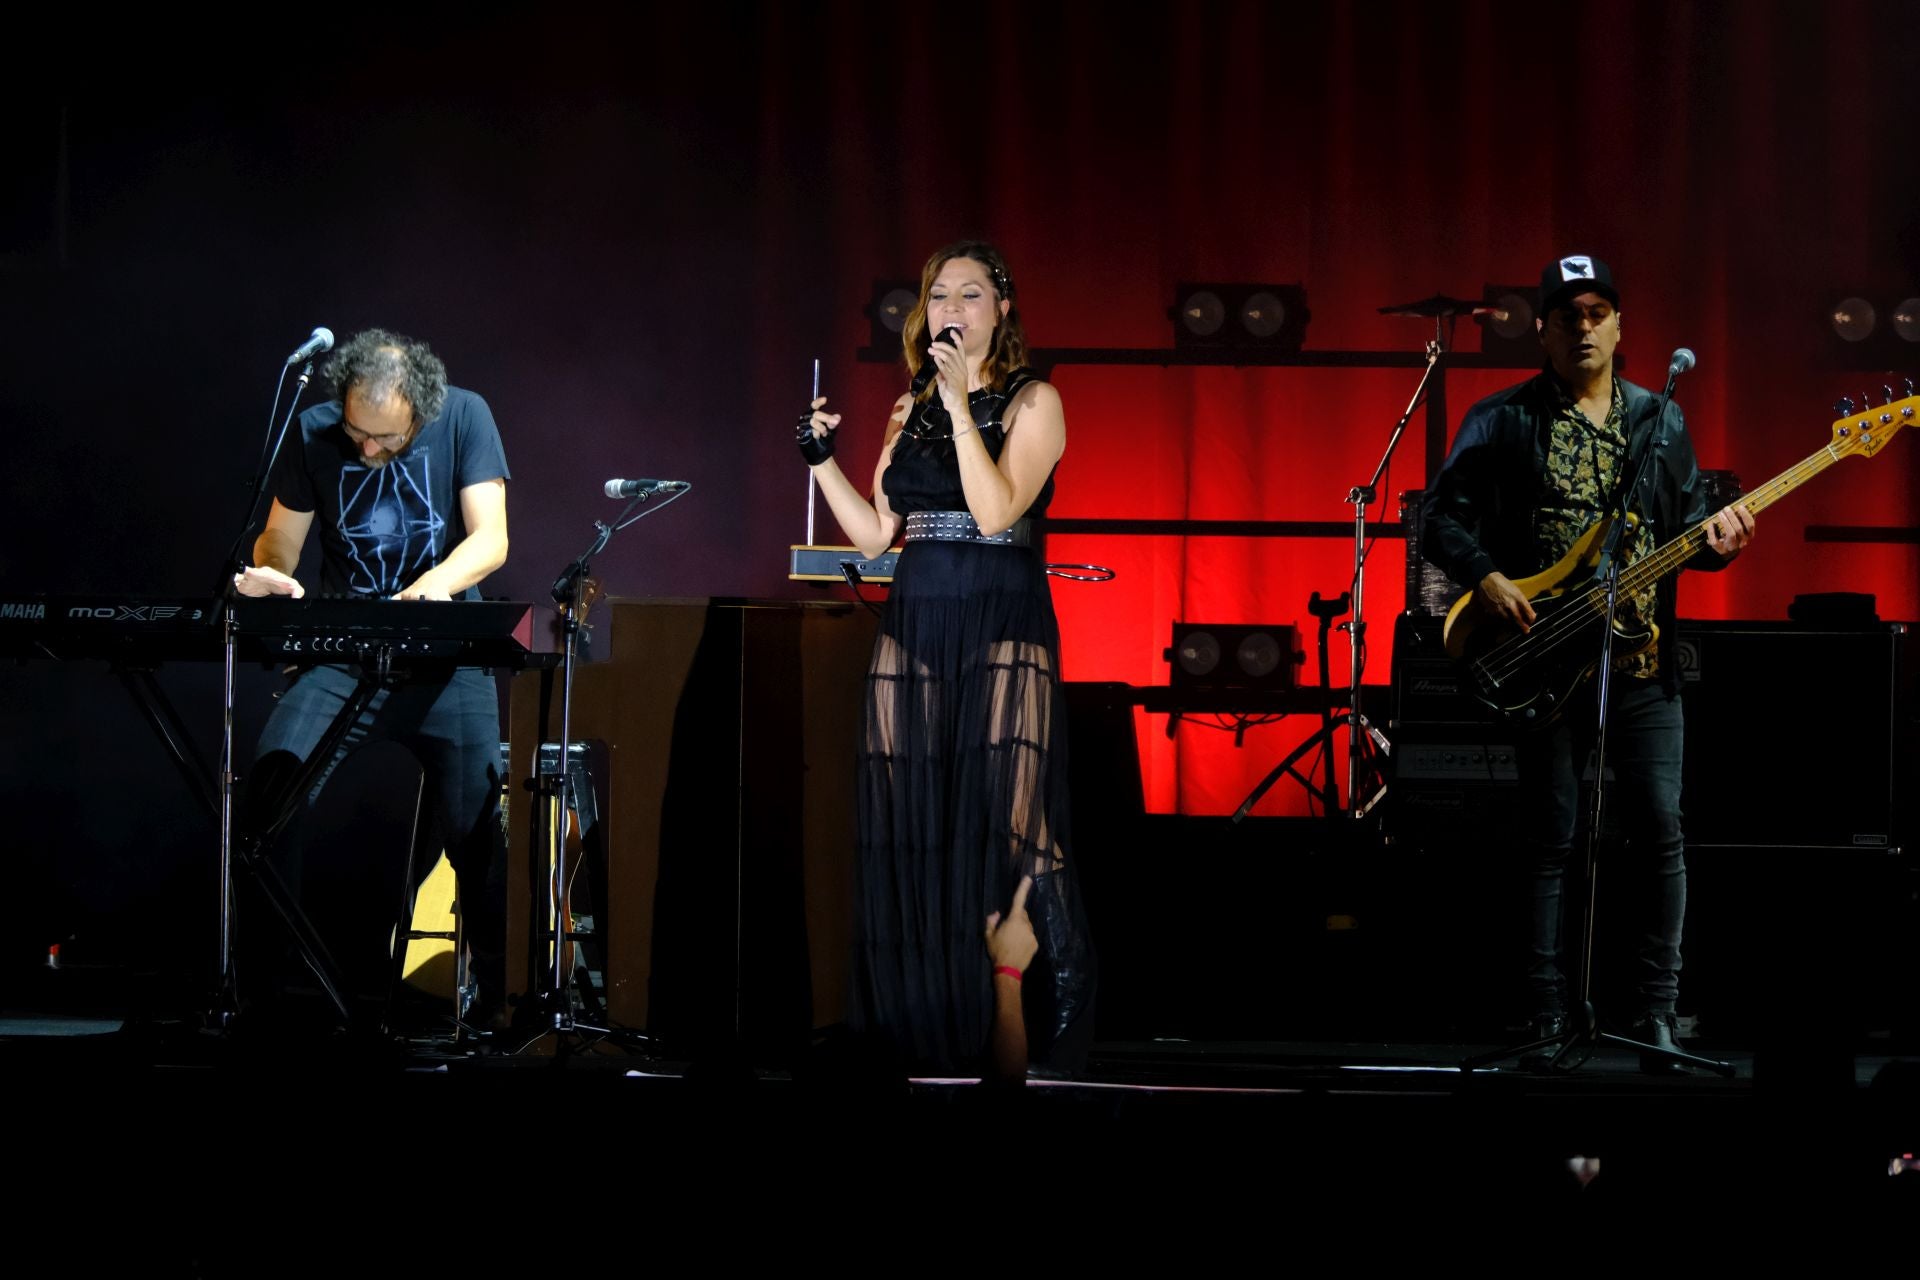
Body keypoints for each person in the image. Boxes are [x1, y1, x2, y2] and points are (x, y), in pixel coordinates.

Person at [1420, 254, 1755, 1072]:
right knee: (1550, 839)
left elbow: (1687, 534)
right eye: (1567, 314)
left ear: (1619, 325)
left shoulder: (1659, 421)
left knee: (1661, 834)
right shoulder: (1502, 419)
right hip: (1541, 658)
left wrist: (1724, 543)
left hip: (1640, 665)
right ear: (1542, 328)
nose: (1582, 326)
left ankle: (1659, 1018)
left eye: (1597, 311)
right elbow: (1439, 518)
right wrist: (1488, 577)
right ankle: (1541, 1016)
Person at [798, 239, 1093, 1075]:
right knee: (908, 805)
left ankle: (1063, 1009)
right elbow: (876, 535)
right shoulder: (907, 408)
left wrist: (963, 404)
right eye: (938, 298)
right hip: (918, 611)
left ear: (1002, 308)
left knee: (1016, 816)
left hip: (1001, 610)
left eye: (970, 294)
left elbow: (997, 512)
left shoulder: (1038, 402)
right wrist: (821, 462)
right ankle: (921, 1011)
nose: (951, 310)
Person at [233, 328, 511, 1029]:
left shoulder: (466, 416)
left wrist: (433, 587)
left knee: (479, 832)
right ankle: (263, 1001)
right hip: (341, 657)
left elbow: (491, 539)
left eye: (385, 439)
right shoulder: (314, 430)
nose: (365, 448)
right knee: (269, 798)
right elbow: (282, 539)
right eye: (357, 431)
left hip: (445, 660)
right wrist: (273, 572)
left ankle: (506, 1008)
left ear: (421, 411)